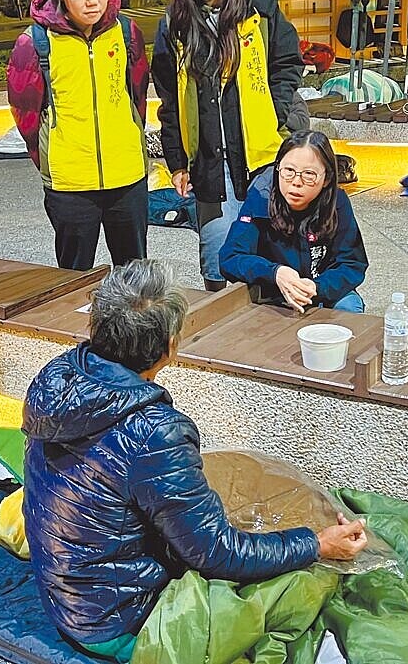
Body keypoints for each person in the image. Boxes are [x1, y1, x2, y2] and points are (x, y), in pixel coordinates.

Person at [22, 259, 367, 661]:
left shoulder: (58, 376)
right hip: (116, 619)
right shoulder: (154, 432)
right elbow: (216, 553)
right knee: (294, 584)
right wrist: (317, 545)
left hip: (63, 594)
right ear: (170, 346)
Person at [152, 0, 304, 291]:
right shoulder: (175, 24)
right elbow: (169, 99)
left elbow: (287, 66)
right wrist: (177, 161)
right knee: (219, 259)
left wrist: (278, 115)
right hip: (208, 163)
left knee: (271, 258)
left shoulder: (261, 9)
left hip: (262, 158)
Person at [7, 0, 150, 271]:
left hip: (128, 178)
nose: (92, 0)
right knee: (71, 278)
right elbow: (25, 114)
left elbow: (138, 97)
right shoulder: (35, 42)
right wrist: (52, 159)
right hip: (69, 186)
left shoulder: (127, 33)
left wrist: (128, 140)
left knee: (133, 276)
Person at [220, 130, 369, 313]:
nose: (296, 182)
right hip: (272, 291)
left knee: (349, 308)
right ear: (278, 169)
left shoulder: (337, 203)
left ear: (326, 178)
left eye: (309, 174)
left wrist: (317, 287)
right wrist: (275, 272)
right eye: (289, 171)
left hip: (323, 289)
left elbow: (352, 263)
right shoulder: (260, 199)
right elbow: (230, 257)